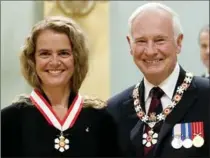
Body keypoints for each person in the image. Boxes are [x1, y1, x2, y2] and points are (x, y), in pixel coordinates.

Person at [1, 16, 119, 157]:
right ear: (32, 60)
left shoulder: (101, 119)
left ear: (76, 58)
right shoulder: (10, 119)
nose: (55, 62)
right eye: (45, 54)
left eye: (63, 53)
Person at [107, 2, 210, 158]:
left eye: (160, 40)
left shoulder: (206, 96)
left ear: (179, 42)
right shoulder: (114, 110)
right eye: (141, 41)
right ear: (130, 44)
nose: (150, 51)